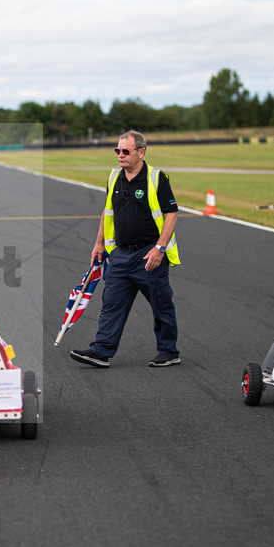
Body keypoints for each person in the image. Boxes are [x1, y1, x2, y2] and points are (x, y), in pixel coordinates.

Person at [70, 130, 181, 369]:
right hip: (120, 255)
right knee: (111, 303)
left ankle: (168, 351)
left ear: (141, 152)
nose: (120, 155)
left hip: (148, 253)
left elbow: (171, 214)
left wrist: (159, 248)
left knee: (161, 304)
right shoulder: (113, 178)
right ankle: (101, 351)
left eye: (125, 151)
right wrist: (99, 243)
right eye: (117, 151)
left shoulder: (156, 178)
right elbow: (107, 211)